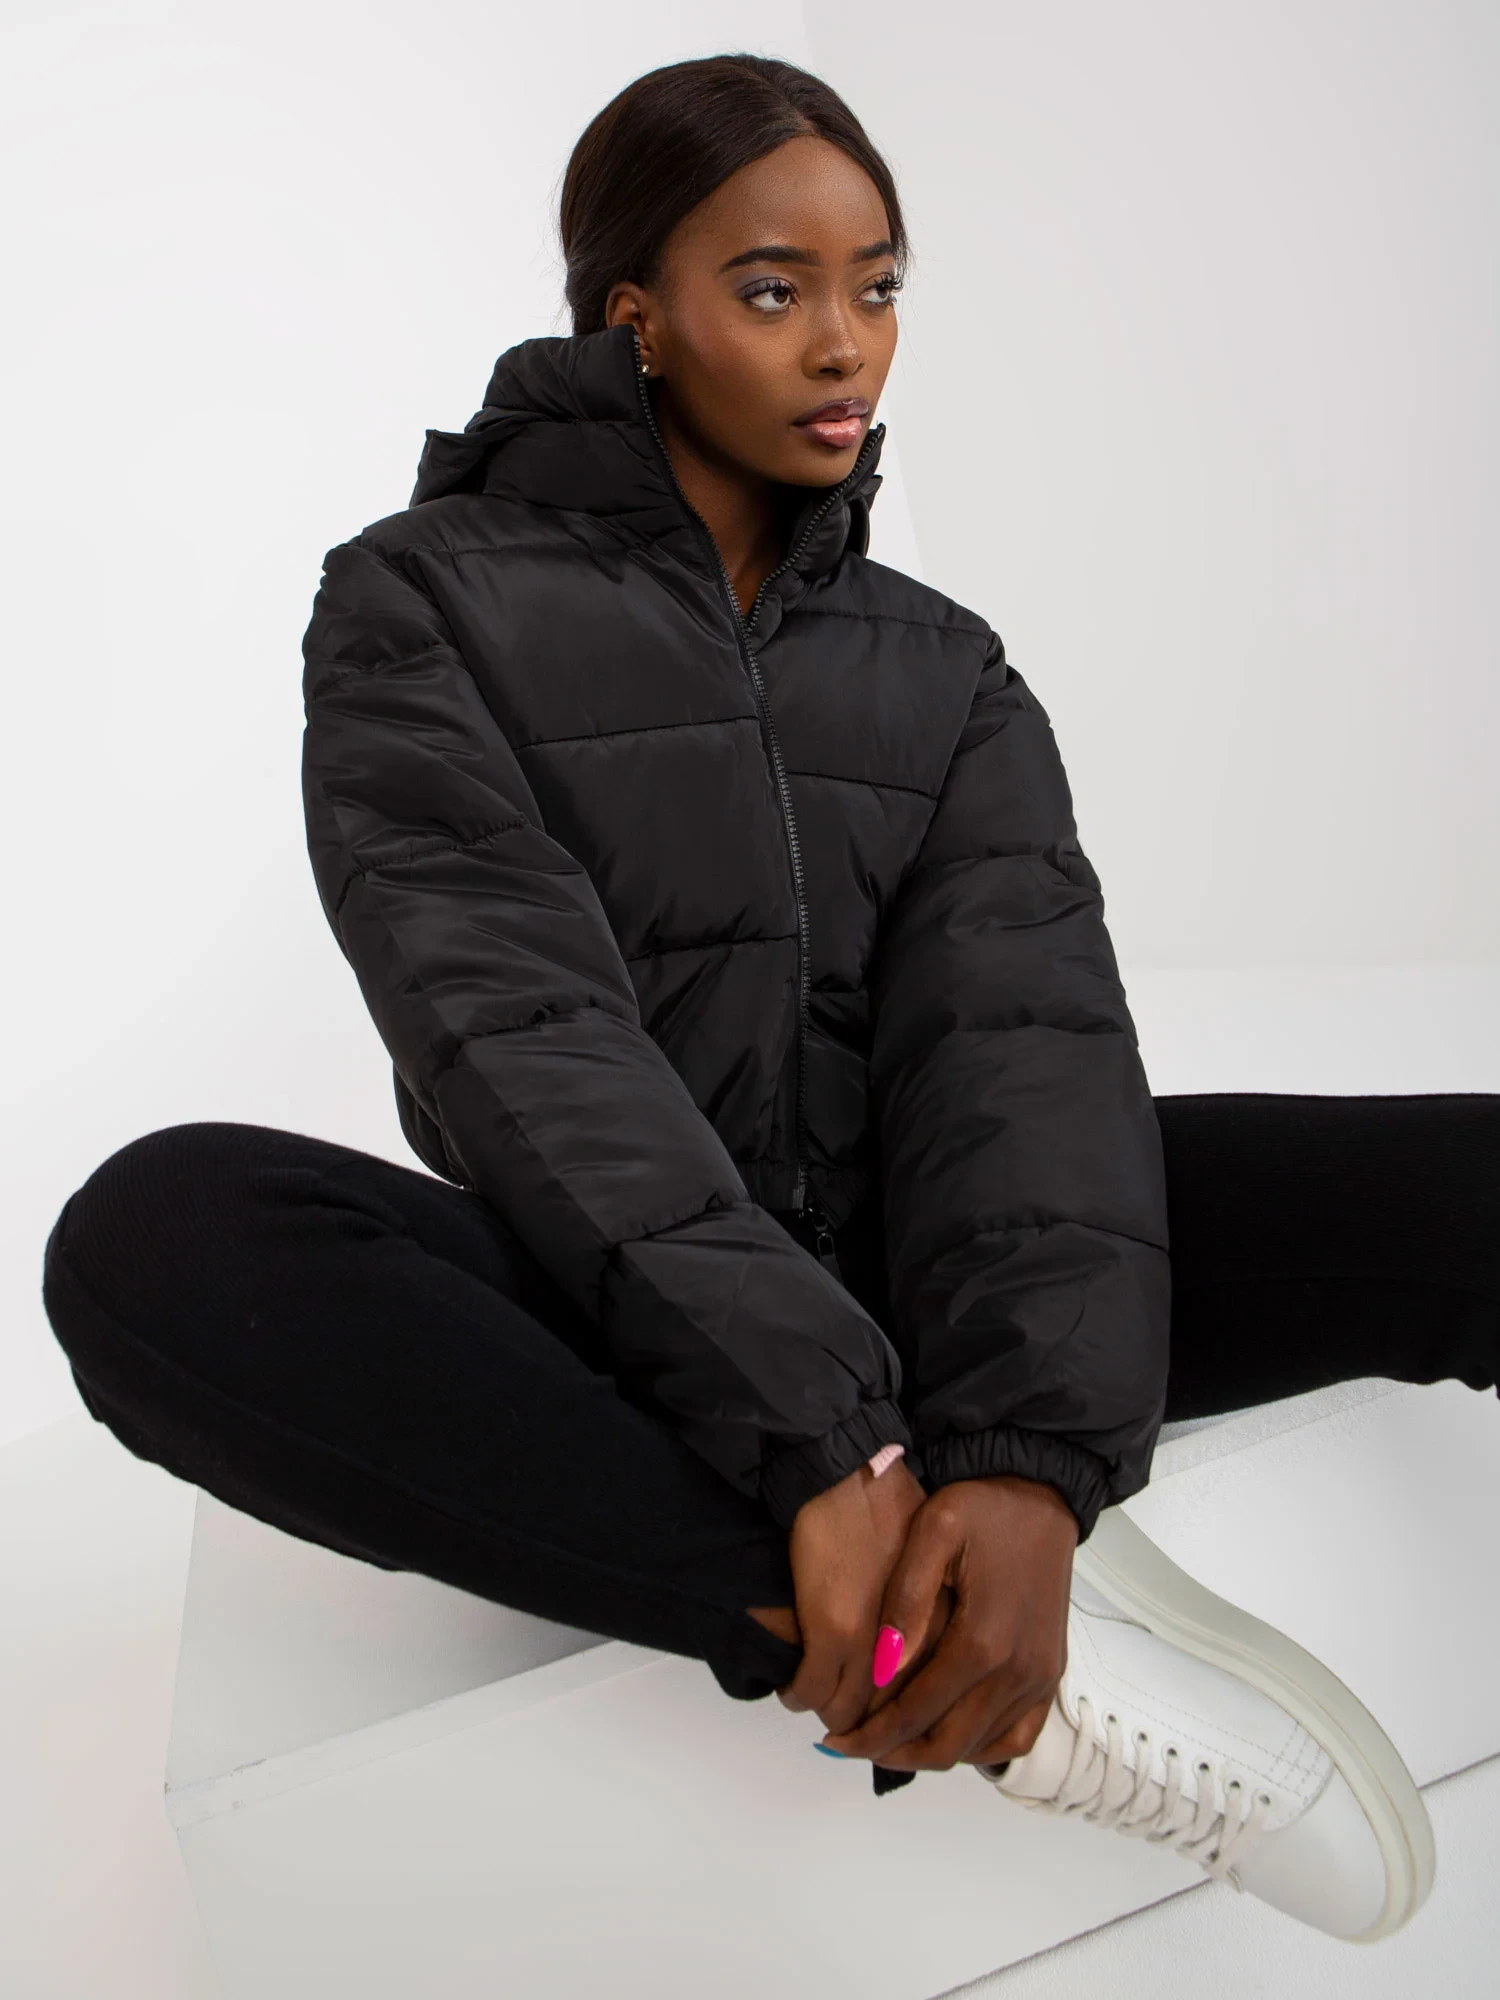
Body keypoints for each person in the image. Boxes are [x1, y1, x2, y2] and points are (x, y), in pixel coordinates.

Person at [40, 53, 1496, 1944]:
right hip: (618, 1311)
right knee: (160, 1233)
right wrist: (822, 1445)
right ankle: (974, 1680)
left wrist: (1026, 1465)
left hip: (933, 1266)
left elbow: (1016, 1056)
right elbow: (523, 1035)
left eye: (876, 288)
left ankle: (962, 1587)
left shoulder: (945, 671)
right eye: (771, 287)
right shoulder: (422, 604)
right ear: (635, 316)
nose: (842, 344)